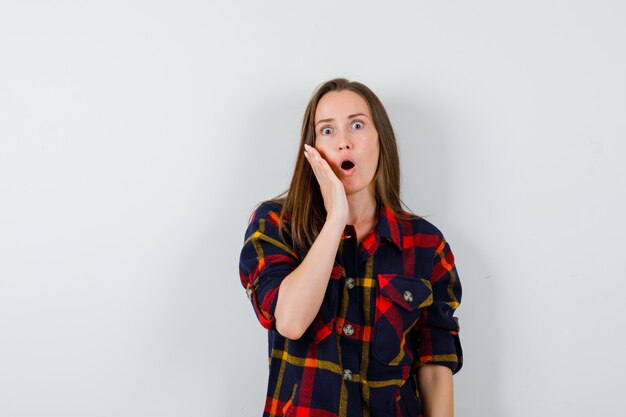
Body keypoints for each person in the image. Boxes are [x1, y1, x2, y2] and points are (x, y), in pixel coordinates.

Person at [238, 78, 462, 417]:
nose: (343, 142)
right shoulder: (275, 224)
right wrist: (336, 218)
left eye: (357, 125)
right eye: (327, 131)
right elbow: (291, 321)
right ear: (311, 148)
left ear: (380, 140)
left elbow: (435, 365)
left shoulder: (426, 244)